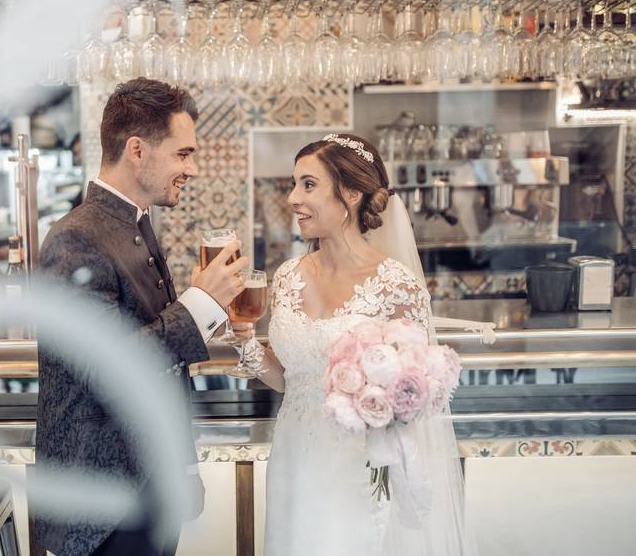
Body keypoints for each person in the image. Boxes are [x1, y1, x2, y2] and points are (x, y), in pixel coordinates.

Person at [34, 78, 248, 556]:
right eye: (182, 154)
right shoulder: (75, 238)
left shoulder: (135, 223)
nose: (191, 169)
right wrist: (200, 303)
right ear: (137, 149)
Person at [238, 133, 477, 555]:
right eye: (294, 184)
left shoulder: (396, 285)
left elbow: (419, 402)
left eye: (308, 185)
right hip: (294, 459)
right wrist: (246, 343)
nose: (293, 198)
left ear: (350, 193)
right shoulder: (288, 277)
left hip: (359, 466)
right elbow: (289, 380)